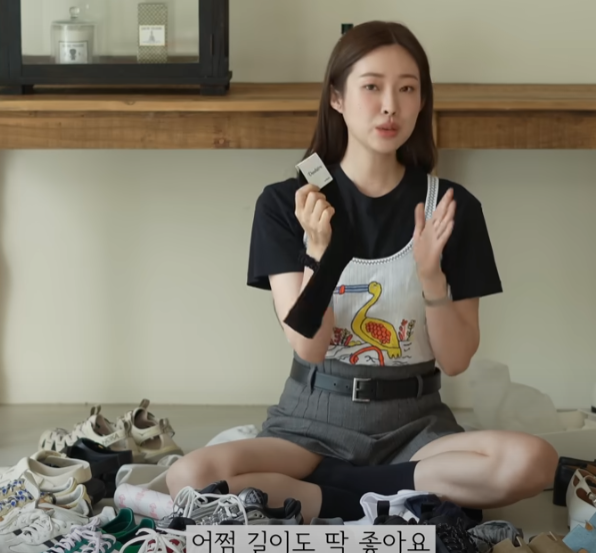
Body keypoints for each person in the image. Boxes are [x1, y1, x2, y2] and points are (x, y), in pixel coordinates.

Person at [167, 20, 558, 522]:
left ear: (422, 101)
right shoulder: (286, 205)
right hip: (311, 423)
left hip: (416, 426)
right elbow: (309, 347)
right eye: (372, 87)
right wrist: (319, 252)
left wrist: (431, 276)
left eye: (407, 89)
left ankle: (332, 495)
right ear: (337, 97)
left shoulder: (450, 208)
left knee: (533, 461)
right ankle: (399, 498)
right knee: (189, 477)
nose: (390, 105)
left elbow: (457, 359)